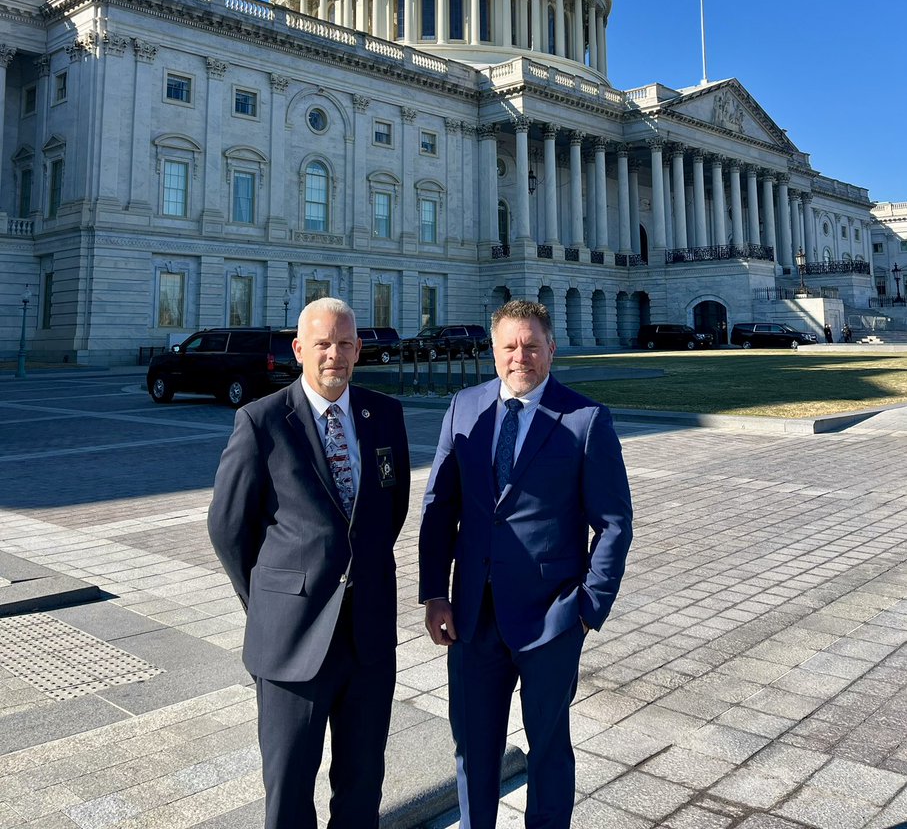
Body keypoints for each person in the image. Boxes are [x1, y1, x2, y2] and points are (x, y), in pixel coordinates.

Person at [419, 299, 633, 829]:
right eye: (510, 346)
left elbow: (613, 522)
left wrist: (588, 607)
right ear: (493, 351)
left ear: (551, 349)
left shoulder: (585, 420)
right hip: (472, 616)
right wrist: (434, 593)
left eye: (532, 346)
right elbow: (439, 507)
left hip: (550, 619)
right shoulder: (463, 408)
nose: (522, 357)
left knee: (549, 751)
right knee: (473, 750)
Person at [208, 297, 410, 829]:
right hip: (292, 640)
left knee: (363, 783)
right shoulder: (261, 421)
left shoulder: (384, 415)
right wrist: (273, 597)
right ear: (299, 349)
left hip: (367, 638)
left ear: (359, 349)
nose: (334, 355)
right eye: (322, 344)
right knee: (291, 791)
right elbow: (228, 528)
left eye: (345, 344)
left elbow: (392, 507)